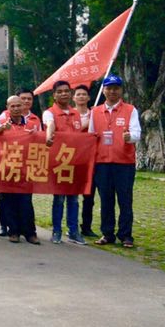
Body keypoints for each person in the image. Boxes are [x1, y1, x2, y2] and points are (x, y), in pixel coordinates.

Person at [88, 75, 140, 249]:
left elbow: (137, 133)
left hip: (124, 163)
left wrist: (129, 136)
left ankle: (126, 235)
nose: (112, 91)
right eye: (109, 88)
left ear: (121, 90)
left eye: (116, 88)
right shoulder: (95, 111)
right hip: (102, 163)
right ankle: (107, 233)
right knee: (106, 200)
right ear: (103, 90)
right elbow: (90, 136)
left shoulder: (130, 110)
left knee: (125, 200)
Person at [44, 80, 86, 244]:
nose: (64, 94)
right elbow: (50, 125)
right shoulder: (49, 112)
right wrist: (49, 136)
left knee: (74, 199)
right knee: (59, 198)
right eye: (60, 91)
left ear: (71, 94)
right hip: (58, 162)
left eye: (66, 91)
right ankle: (56, 231)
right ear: (54, 95)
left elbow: (80, 134)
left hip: (74, 162)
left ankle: (74, 231)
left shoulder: (75, 114)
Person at [0, 95, 41, 244]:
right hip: (7, 167)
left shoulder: (32, 123)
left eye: (18, 106)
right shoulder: (2, 121)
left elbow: (41, 141)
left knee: (26, 201)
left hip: (26, 168)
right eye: (12, 106)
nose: (15, 109)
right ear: (7, 108)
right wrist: (3, 129)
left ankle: (30, 233)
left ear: (23, 107)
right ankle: (13, 231)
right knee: (8, 200)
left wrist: (36, 136)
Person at [73, 85, 98, 237]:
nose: (81, 97)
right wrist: (86, 124)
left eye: (84, 94)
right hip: (74, 160)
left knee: (89, 196)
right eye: (78, 94)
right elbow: (69, 134)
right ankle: (72, 226)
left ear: (89, 98)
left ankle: (86, 226)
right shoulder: (69, 115)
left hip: (91, 159)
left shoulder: (95, 114)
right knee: (73, 196)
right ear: (73, 98)